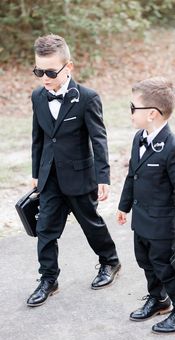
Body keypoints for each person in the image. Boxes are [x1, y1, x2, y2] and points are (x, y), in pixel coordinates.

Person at [27, 34, 121, 307]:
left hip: (80, 175)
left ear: (69, 67)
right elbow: (38, 138)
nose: (44, 77)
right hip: (49, 177)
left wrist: (103, 176)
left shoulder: (87, 98)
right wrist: (36, 174)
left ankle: (110, 262)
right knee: (45, 229)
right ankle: (48, 278)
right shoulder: (37, 97)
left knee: (90, 224)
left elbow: (98, 138)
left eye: (50, 71)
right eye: (38, 71)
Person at [117, 77, 175, 334]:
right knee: (145, 262)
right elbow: (133, 174)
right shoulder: (138, 138)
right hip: (141, 219)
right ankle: (159, 299)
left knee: (165, 268)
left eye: (133, 107)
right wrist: (124, 206)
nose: (130, 112)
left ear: (152, 114)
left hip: (163, 225)